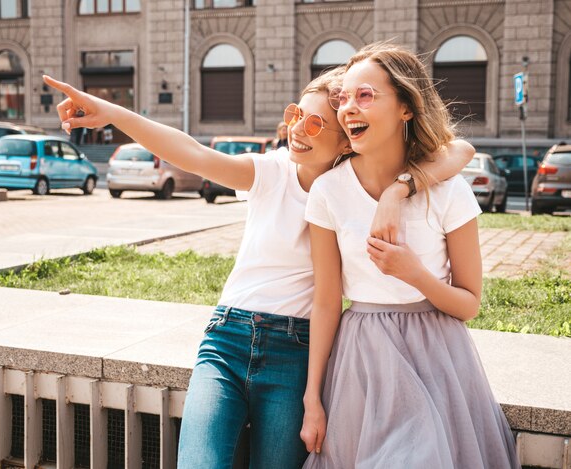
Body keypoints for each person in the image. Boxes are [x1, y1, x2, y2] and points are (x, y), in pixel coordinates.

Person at [43, 69, 474, 469]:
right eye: (295, 116)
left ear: (347, 140)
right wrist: (110, 112)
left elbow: (459, 149)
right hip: (226, 339)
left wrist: (401, 189)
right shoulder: (270, 172)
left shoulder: (349, 190)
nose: (296, 131)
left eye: (315, 124)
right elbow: (190, 152)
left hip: (296, 349)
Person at [300, 43, 520, 468]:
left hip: (437, 357)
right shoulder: (329, 191)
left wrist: (414, 273)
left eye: (365, 95)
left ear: (405, 107)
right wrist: (314, 399)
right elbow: (326, 302)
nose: (348, 108)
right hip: (362, 363)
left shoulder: (449, 190)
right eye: (343, 98)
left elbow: (469, 303)